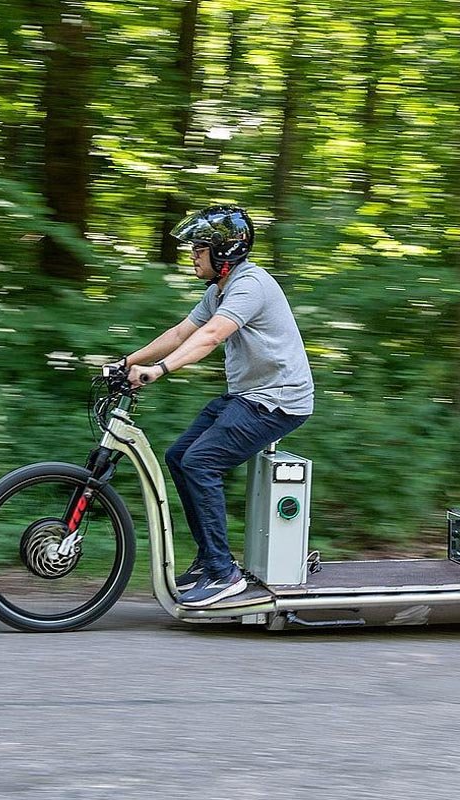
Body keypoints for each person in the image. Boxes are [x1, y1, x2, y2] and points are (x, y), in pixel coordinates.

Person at [118, 204, 314, 607]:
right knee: (179, 456)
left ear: (225, 252)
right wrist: (127, 363)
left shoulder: (250, 285)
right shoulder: (218, 291)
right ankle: (211, 560)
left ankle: (225, 574)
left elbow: (210, 337)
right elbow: (179, 333)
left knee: (201, 462)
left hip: (279, 399)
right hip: (249, 396)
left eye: (199, 248)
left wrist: (158, 371)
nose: (192, 254)